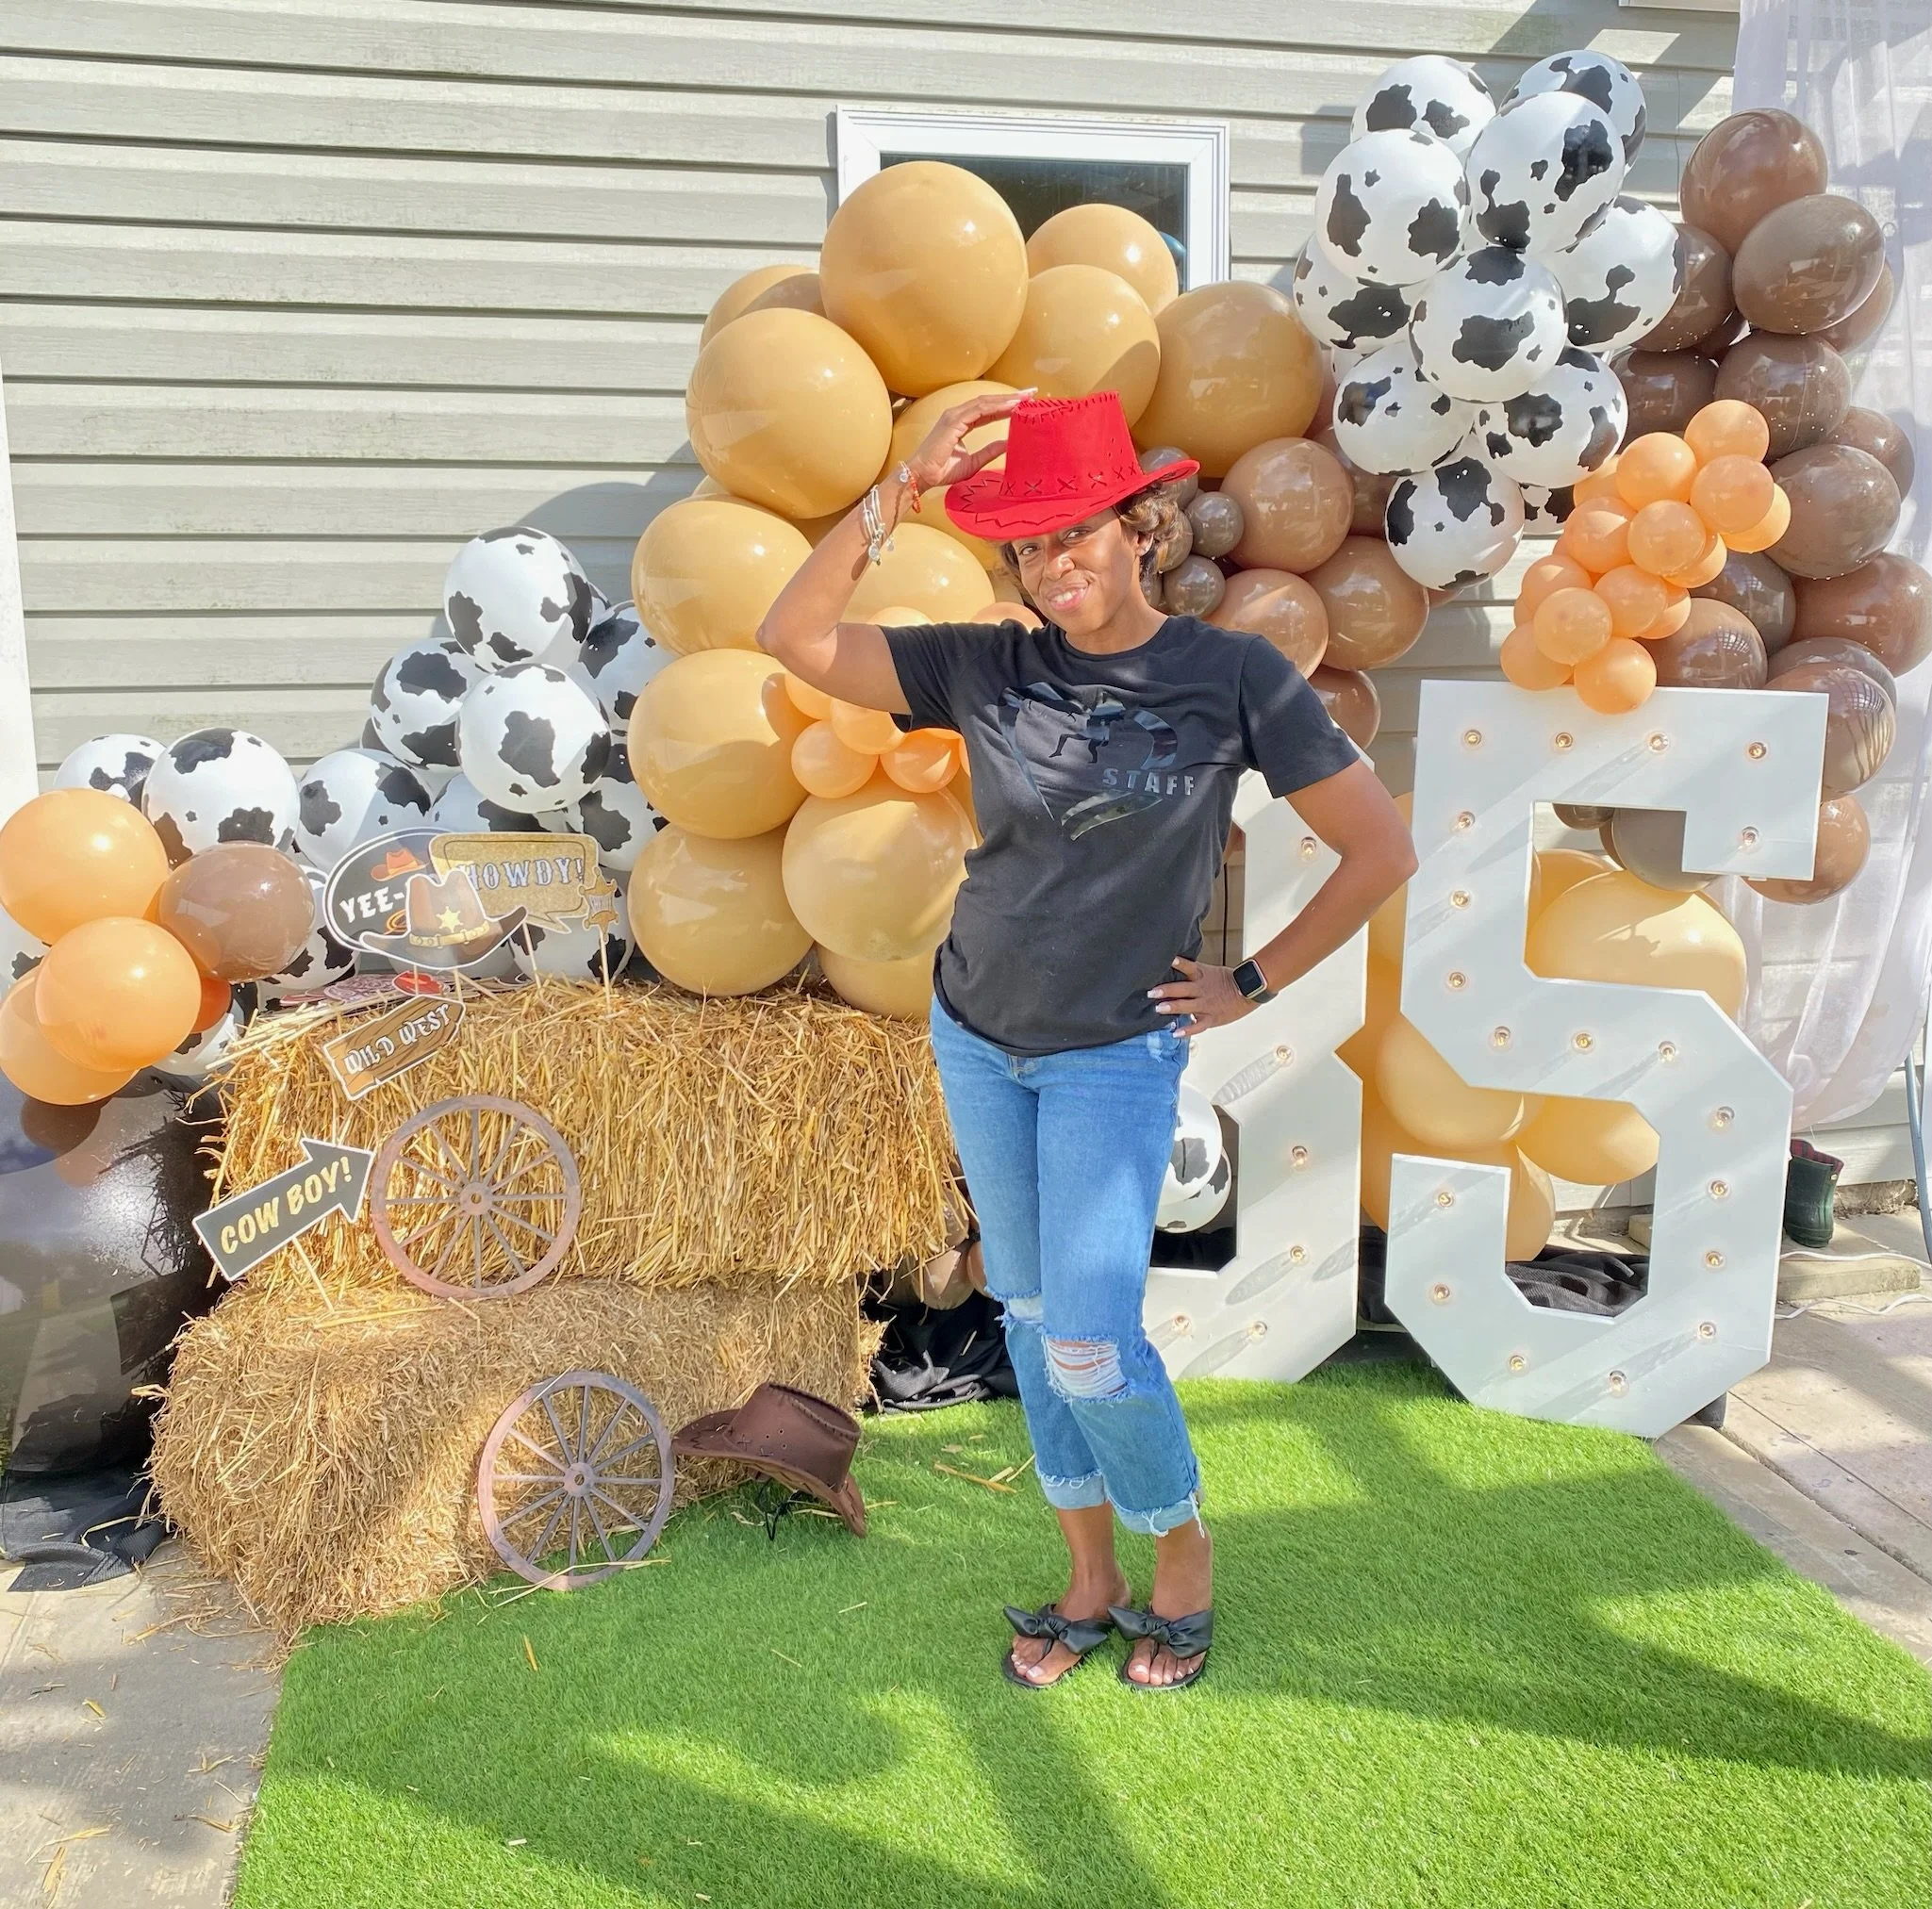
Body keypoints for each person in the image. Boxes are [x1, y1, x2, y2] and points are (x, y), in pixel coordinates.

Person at [759, 390, 1416, 1691]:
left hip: (1112, 1055)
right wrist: (900, 488)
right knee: (1028, 1314)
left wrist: (1250, 981)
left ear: (1141, 529)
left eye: (1080, 533)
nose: (1056, 564)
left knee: (1091, 1341)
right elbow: (796, 635)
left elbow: (1379, 848)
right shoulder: (987, 666)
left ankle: (1182, 1553)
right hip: (975, 1034)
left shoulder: (1232, 677)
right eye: (1032, 545)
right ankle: (1088, 1576)